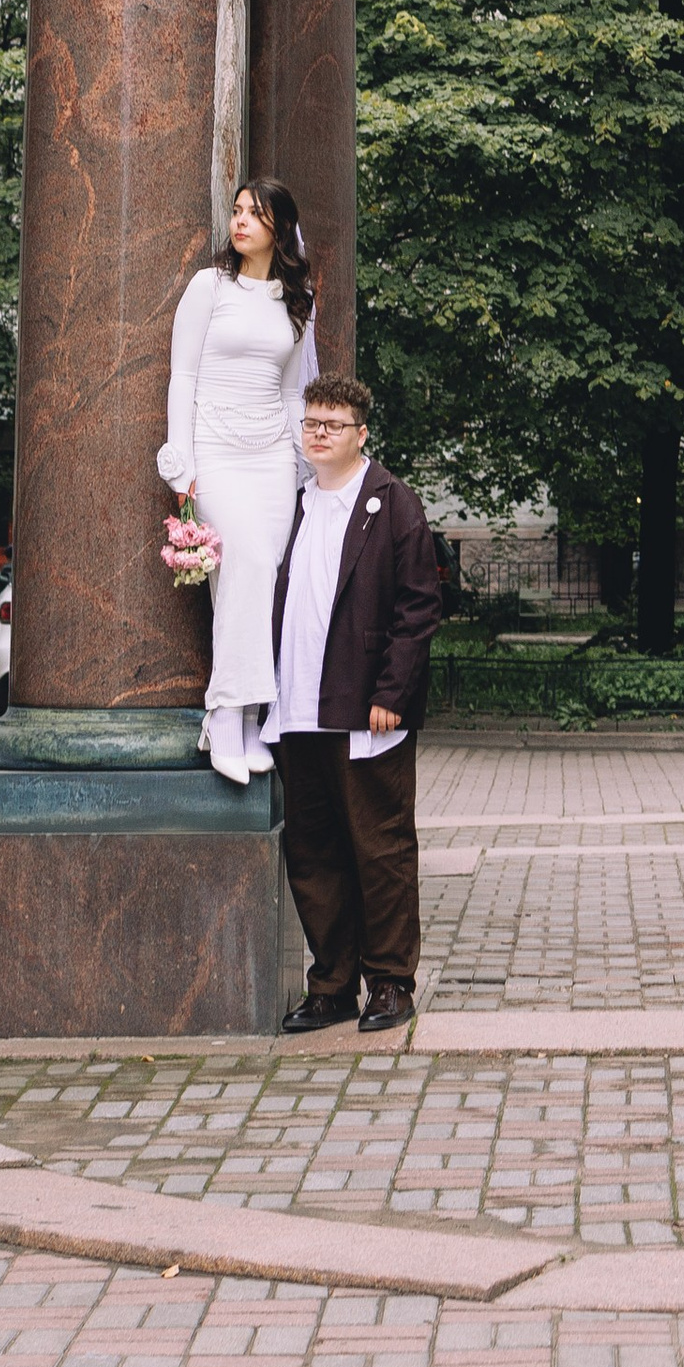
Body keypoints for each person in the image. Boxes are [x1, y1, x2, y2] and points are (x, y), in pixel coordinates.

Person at [269, 372, 443, 1034]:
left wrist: (392, 694)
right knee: (314, 854)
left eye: (332, 424)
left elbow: (418, 606)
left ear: (360, 433)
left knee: (380, 851)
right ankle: (333, 986)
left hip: (365, 712)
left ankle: (391, 984)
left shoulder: (391, 503)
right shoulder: (292, 505)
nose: (318, 434)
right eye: (310, 423)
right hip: (295, 711)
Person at [158, 177, 320, 783]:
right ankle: (225, 715)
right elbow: (183, 378)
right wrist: (184, 468)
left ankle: (248, 721)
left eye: (255, 213)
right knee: (242, 564)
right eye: (236, 211)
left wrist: (306, 467)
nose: (241, 221)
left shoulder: (296, 300)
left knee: (258, 575)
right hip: (217, 453)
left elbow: (291, 392)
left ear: (280, 226)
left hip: (272, 456)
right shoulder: (210, 286)